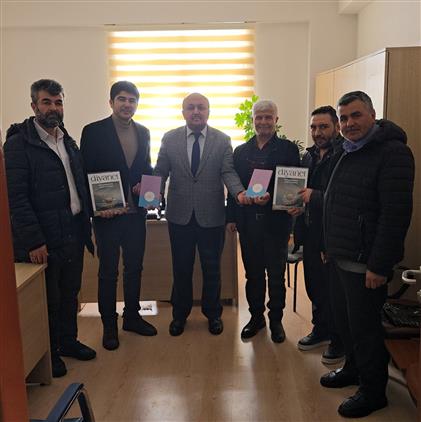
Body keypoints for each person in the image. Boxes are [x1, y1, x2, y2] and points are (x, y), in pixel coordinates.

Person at [320, 91, 414, 418]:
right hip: (341, 255)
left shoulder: (393, 153)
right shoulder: (347, 149)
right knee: (345, 323)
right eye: (344, 118)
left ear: (373, 115)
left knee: (365, 330)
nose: (349, 123)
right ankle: (352, 369)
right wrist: (329, 247)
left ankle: (373, 392)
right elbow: (336, 202)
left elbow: (395, 215)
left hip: (366, 264)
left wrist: (379, 265)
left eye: (356, 115)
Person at [4, 79, 96, 377]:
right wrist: (33, 241)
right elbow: (15, 198)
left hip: (72, 230)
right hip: (43, 238)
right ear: (34, 106)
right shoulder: (18, 145)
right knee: (48, 300)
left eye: (58, 102)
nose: (53, 108)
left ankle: (68, 341)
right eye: (46, 102)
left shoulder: (67, 141)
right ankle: (50, 350)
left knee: (70, 293)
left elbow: (78, 185)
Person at [154, 93, 249, 336]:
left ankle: (213, 314)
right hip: (179, 216)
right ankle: (179, 315)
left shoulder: (222, 140)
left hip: (212, 216)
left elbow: (228, 172)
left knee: (212, 269)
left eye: (201, 107)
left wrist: (239, 193)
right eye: (191, 107)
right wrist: (150, 195)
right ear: (183, 112)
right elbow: (160, 171)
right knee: (181, 269)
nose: (196, 111)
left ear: (208, 111)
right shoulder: (169, 138)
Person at [80, 81, 157, 351]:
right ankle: (109, 325)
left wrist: (146, 187)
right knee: (108, 271)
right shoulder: (93, 131)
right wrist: (97, 208)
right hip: (108, 215)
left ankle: (132, 317)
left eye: (132, 100)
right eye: (122, 99)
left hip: (136, 214)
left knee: (134, 267)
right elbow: (85, 172)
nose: (127, 104)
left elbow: (146, 167)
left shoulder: (144, 132)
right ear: (111, 102)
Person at [226, 100, 300, 343]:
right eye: (259, 117)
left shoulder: (288, 149)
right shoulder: (241, 151)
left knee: (276, 276)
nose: (263, 121)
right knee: (253, 275)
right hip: (248, 223)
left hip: (276, 223)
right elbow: (233, 186)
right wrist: (231, 217)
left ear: (276, 120)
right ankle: (256, 317)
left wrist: (271, 197)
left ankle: (276, 320)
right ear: (253, 120)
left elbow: (292, 185)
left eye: (268, 117)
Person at [291, 106, 344, 363]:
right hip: (310, 231)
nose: (317, 132)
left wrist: (315, 196)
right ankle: (320, 329)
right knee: (314, 286)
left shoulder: (345, 155)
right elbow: (303, 192)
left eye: (323, 127)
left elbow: (345, 199)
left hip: (333, 235)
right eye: (313, 127)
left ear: (336, 127)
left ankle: (338, 340)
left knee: (334, 292)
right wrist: (297, 205)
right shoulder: (309, 156)